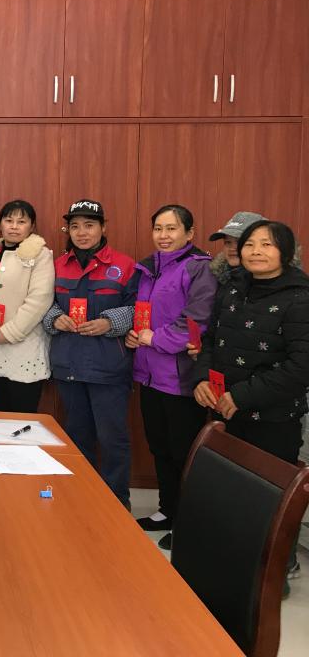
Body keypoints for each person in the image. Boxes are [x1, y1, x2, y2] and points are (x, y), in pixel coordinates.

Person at [193, 220, 308, 582]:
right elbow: (210, 340)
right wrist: (201, 378)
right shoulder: (232, 288)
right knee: (230, 494)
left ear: (286, 252)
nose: (256, 251)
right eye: (250, 244)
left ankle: (274, 575)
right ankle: (234, 569)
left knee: (271, 498)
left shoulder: (300, 297)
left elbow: (301, 366)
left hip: (272, 419)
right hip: (225, 411)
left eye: (267, 244)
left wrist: (241, 396)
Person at [126, 205, 216, 549]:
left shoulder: (199, 268)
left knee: (184, 454)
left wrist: (153, 338)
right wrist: (135, 335)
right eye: (158, 229)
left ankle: (188, 523)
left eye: (172, 228)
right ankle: (167, 510)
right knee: (160, 447)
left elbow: (195, 321)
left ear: (189, 233)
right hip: (149, 374)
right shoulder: (148, 267)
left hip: (181, 378)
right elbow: (143, 316)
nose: (163, 236)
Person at [42, 199, 138, 508]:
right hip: (68, 363)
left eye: (89, 225)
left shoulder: (124, 265)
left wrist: (110, 322)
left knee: (112, 439)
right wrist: (55, 318)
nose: (82, 232)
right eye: (75, 226)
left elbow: (139, 308)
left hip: (108, 366)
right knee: (76, 436)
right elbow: (44, 303)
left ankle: (116, 503)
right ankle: (80, 500)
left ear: (103, 228)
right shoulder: (57, 265)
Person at [0, 199, 54, 413]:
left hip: (23, 344)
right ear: (0, 224)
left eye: (21, 222)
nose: (14, 226)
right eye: (9, 221)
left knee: (23, 415)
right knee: (2, 412)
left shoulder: (40, 255)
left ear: (32, 226)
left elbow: (40, 299)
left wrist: (11, 332)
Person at [207, 211, 265, 294]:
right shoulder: (216, 277)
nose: (232, 248)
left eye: (240, 242)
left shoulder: (268, 283)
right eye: (228, 242)